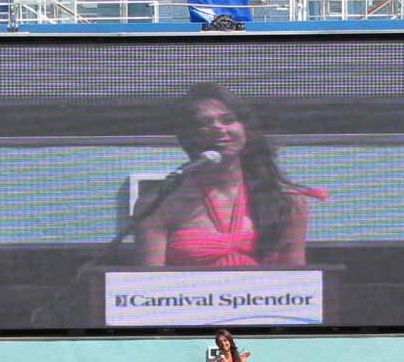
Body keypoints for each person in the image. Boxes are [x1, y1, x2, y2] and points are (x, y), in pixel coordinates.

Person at [134, 82, 325, 267]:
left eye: (228, 120)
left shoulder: (287, 201)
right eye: (204, 123)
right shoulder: (158, 203)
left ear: (245, 130)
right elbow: (149, 283)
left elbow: (300, 282)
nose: (219, 128)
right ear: (188, 136)